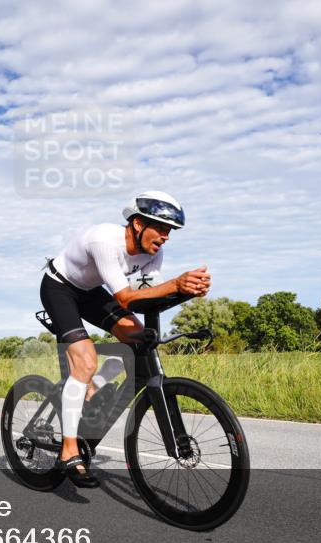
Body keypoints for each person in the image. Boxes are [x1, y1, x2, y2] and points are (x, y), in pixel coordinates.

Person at [39, 191, 211, 488]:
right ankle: (68, 450)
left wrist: (186, 291)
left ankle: (92, 388)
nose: (166, 236)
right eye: (161, 227)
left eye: (170, 230)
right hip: (59, 288)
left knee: (139, 340)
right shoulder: (104, 240)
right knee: (86, 360)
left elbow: (147, 297)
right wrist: (176, 283)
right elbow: (125, 297)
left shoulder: (154, 253)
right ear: (137, 224)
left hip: (91, 292)